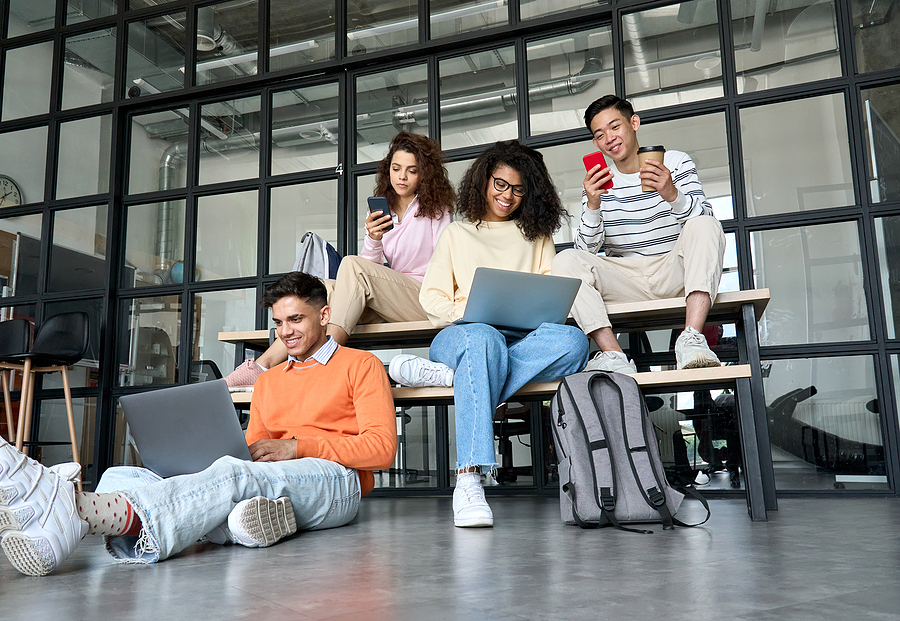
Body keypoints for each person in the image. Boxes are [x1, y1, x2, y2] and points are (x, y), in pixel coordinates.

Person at [0, 272, 397, 576]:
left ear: (324, 315)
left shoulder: (361, 365)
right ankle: (236, 525)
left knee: (231, 476)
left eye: (296, 319)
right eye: (278, 322)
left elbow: (381, 450)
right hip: (273, 480)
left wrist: (296, 448)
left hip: (337, 481)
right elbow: (252, 451)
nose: (285, 332)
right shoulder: (269, 381)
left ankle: (73, 509)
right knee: (122, 474)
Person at [391, 140, 589, 528]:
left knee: (575, 343)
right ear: (484, 180)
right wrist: (469, 314)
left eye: (518, 189)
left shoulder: (537, 236)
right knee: (484, 338)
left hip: (521, 338)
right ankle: (469, 478)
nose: (507, 196)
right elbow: (431, 298)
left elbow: (549, 295)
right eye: (500, 184)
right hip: (463, 336)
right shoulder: (456, 233)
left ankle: (457, 378)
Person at [226, 131, 455, 388]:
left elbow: (445, 262)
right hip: (392, 300)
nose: (402, 177)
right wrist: (373, 237)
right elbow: (372, 269)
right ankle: (261, 366)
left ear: (424, 174)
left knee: (351, 265)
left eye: (412, 171)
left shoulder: (436, 209)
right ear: (387, 170)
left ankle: (325, 362)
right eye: (396, 168)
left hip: (425, 298)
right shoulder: (383, 208)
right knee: (325, 290)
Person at [551, 94, 726, 374]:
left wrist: (672, 194)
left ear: (634, 123)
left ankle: (691, 338)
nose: (609, 138)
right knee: (564, 261)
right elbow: (585, 253)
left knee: (706, 224)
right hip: (625, 279)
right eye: (600, 135)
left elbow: (704, 220)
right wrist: (593, 205)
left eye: (615, 127)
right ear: (595, 143)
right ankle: (614, 355)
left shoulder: (675, 162)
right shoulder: (598, 183)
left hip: (674, 270)